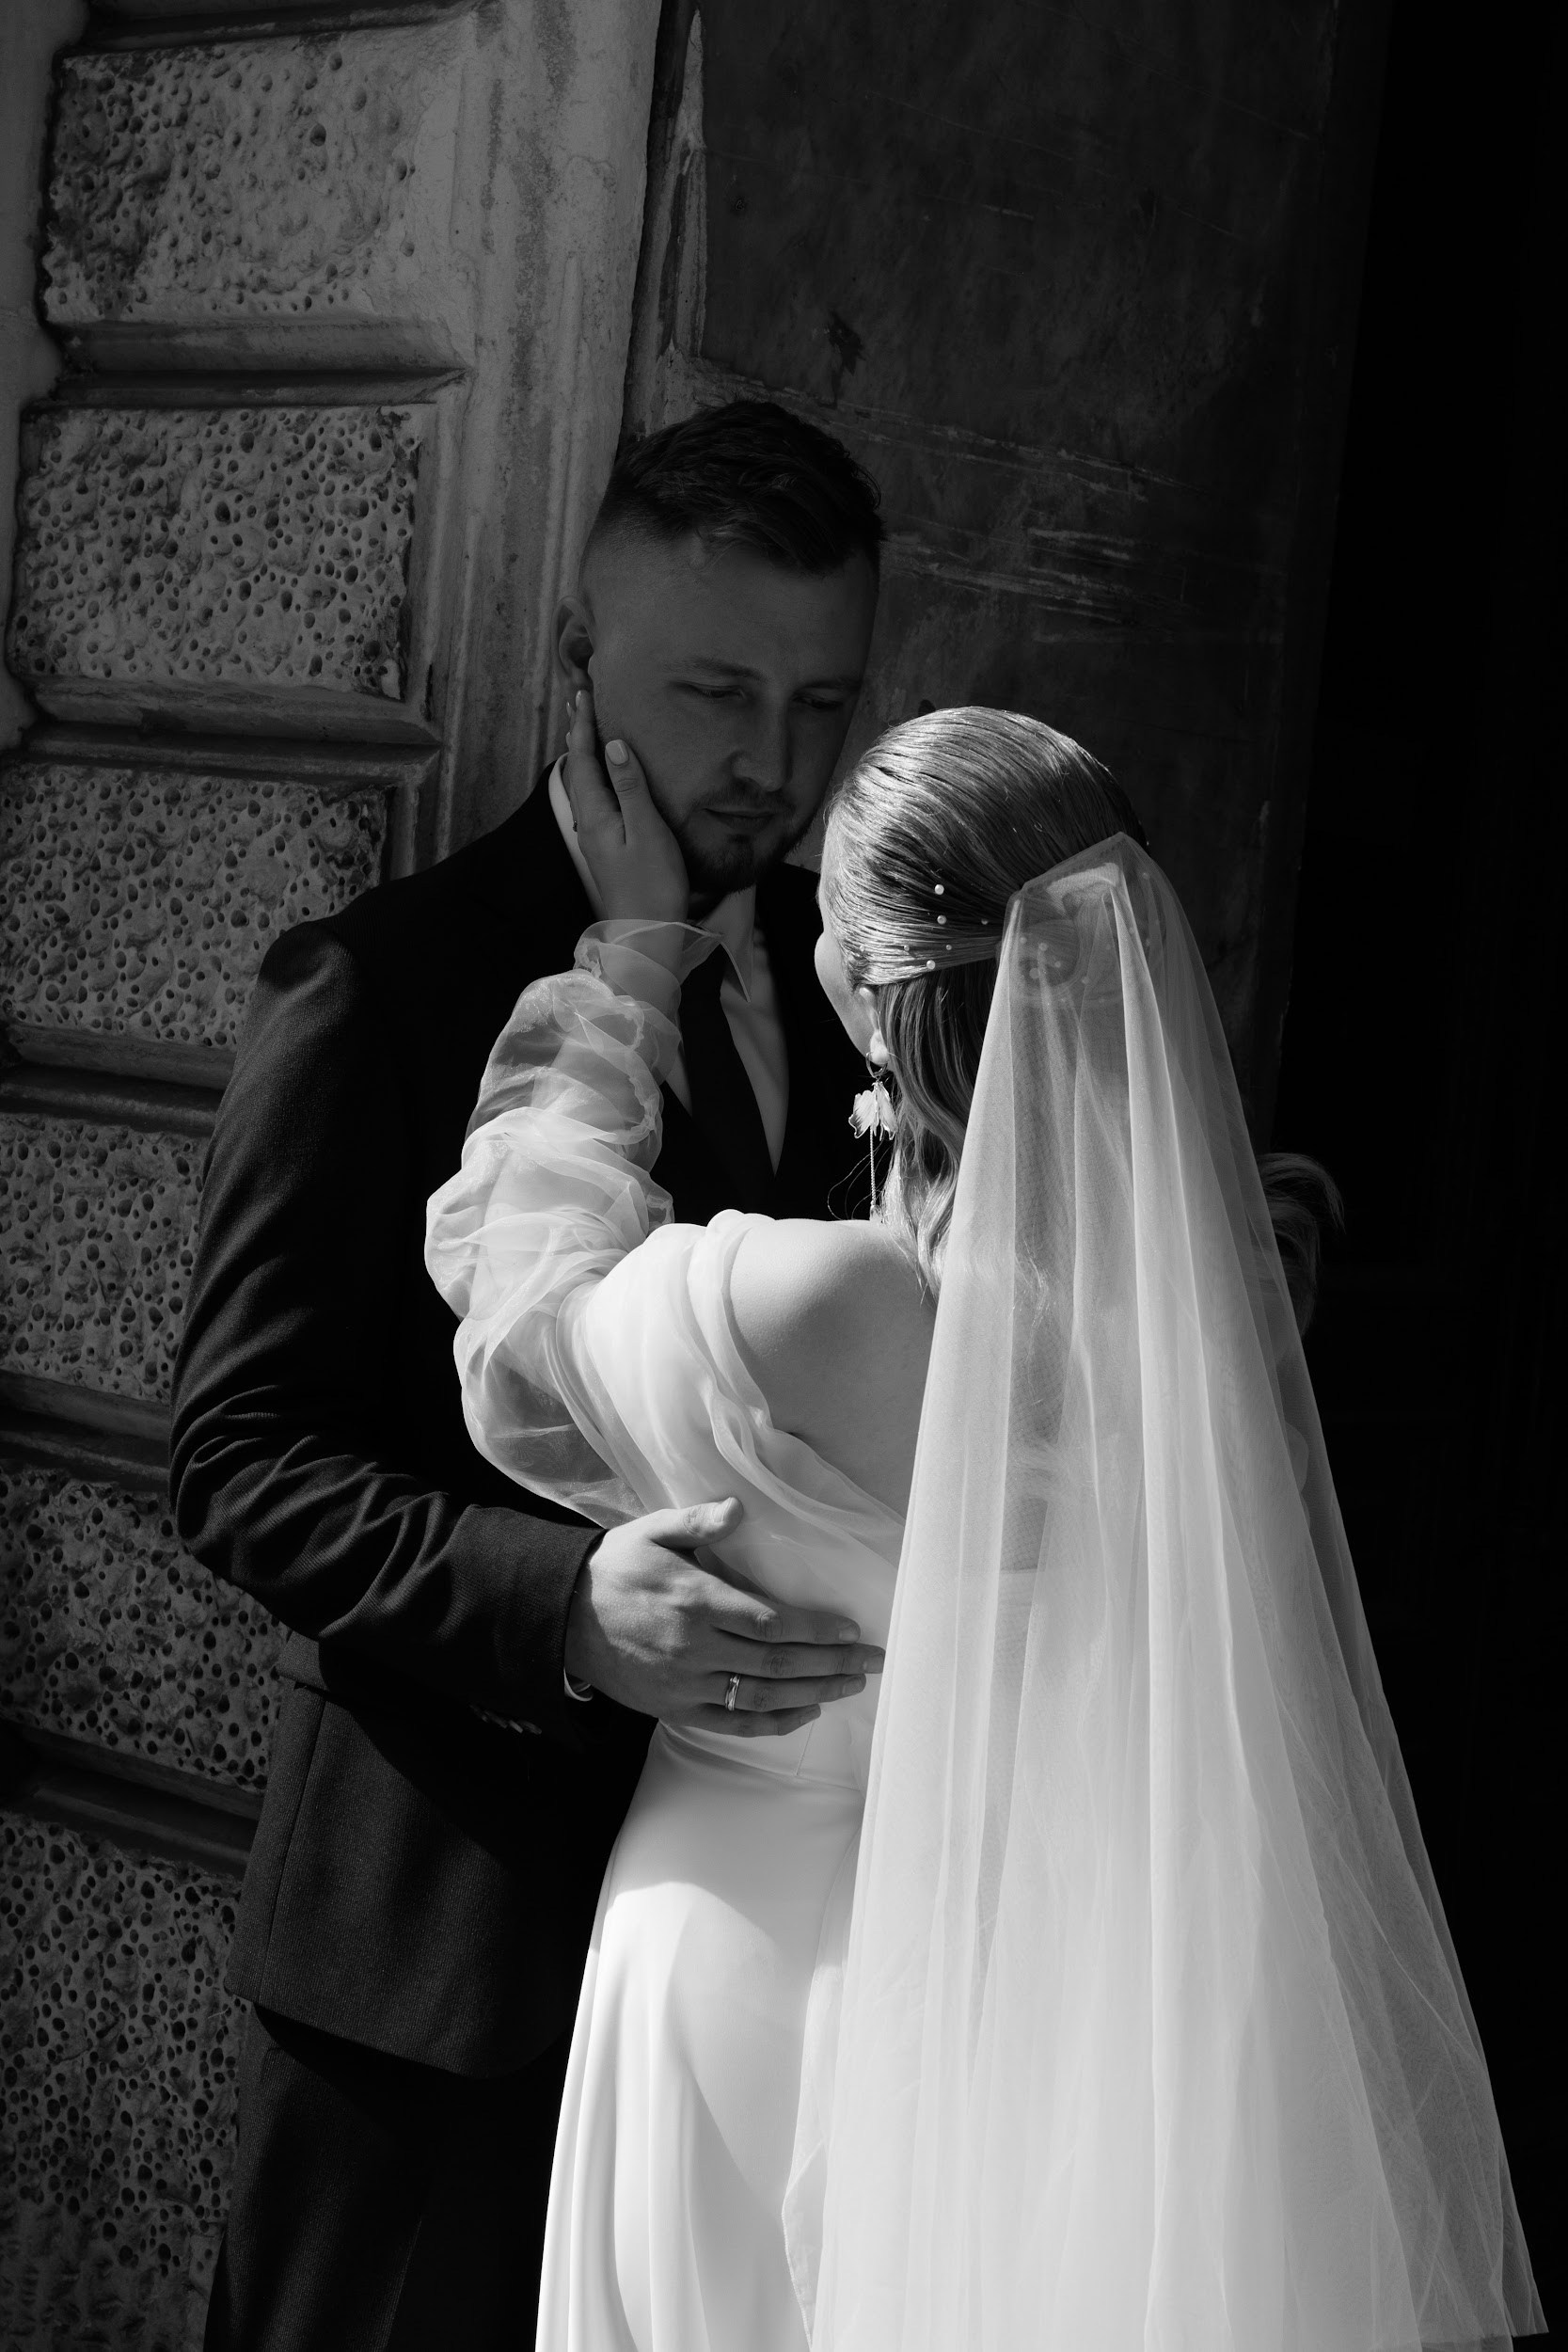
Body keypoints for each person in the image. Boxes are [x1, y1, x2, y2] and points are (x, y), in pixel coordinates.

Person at [426, 703, 1544, 2351]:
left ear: (866, 986)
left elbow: (521, 1322)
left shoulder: (811, 1304)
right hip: (1048, 2018)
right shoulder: (1211, 1310)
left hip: (752, 1976)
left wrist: (629, 963)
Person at [169, 400, 886, 2352]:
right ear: (580, 662)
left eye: (824, 702)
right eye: (718, 692)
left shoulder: (866, 993)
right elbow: (240, 1457)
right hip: (441, 1974)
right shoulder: (376, 982)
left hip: (767, 1978)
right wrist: (565, 1606)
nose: (773, 761)